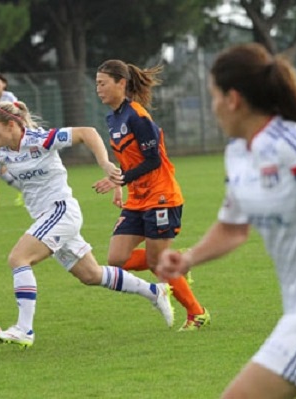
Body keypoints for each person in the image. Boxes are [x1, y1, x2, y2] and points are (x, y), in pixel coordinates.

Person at [156, 43, 296, 399]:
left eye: (213, 96)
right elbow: (233, 227)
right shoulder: (240, 154)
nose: (212, 108)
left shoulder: (295, 145)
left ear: (233, 99)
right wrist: (189, 258)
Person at [0, 100, 175, 348]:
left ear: (10, 126)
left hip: (61, 211)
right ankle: (154, 292)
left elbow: (87, 133)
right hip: (46, 217)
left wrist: (105, 164)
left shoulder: (41, 139)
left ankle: (24, 329)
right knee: (91, 275)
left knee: (18, 258)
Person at [94, 59, 210, 331]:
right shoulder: (112, 117)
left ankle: (197, 313)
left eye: (102, 83)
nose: (98, 89)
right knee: (116, 260)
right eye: (96, 84)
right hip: (137, 198)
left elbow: (152, 160)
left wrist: (122, 178)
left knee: (158, 263)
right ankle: (176, 260)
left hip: (161, 196)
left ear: (121, 83)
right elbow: (127, 158)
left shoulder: (137, 115)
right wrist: (119, 186)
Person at [0, 72, 24, 206]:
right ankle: (24, 190)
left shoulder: (9, 97)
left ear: (4, 84)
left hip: (11, 137)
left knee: (14, 165)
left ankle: (26, 190)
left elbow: (17, 115)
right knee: (0, 169)